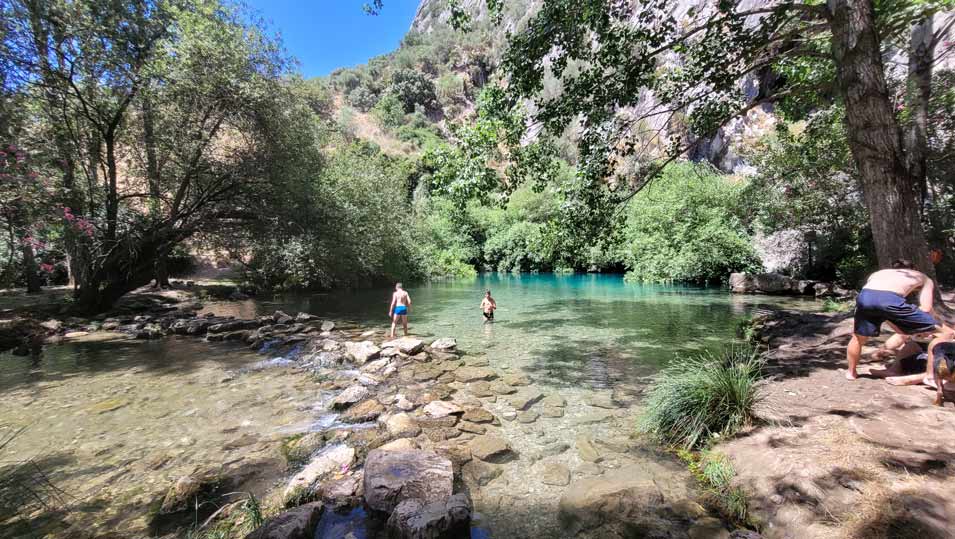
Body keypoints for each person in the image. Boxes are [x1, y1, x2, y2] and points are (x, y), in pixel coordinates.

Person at [846, 259, 940, 380]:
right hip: (889, 299)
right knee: (945, 332)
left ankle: (851, 372)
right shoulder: (923, 277)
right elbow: (926, 308)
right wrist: (926, 323)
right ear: (913, 270)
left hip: (865, 297)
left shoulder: (880, 273)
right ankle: (930, 376)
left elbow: (876, 298)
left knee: (857, 338)